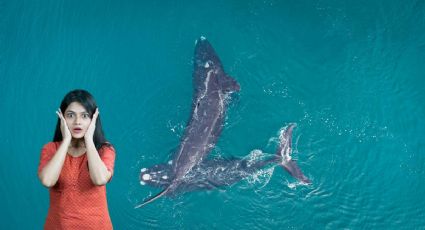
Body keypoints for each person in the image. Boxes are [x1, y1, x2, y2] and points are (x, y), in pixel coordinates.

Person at [38, 89, 116, 229]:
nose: (77, 122)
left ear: (93, 119)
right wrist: (66, 140)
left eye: (85, 116)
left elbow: (100, 179)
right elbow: (47, 180)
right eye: (70, 115)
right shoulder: (51, 149)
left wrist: (89, 140)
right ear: (62, 118)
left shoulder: (105, 150)